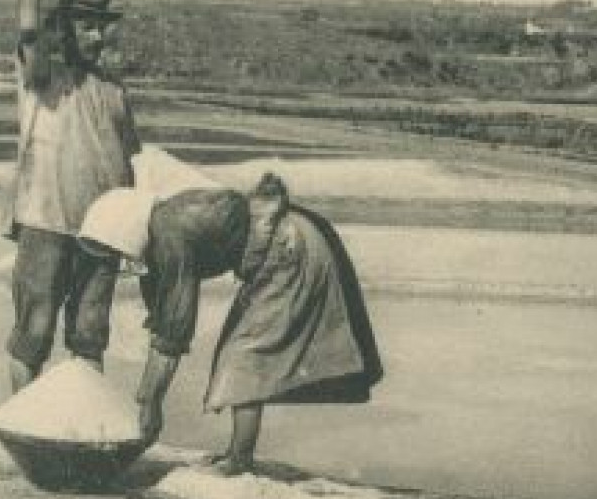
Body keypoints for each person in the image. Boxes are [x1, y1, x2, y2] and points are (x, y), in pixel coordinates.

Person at [78, 173, 384, 475]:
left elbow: (174, 327)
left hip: (292, 248)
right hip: (281, 247)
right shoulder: (161, 223)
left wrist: (149, 402)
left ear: (125, 232)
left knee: (244, 354)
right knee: (241, 351)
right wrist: (148, 394)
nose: (118, 261)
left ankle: (240, 458)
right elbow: (162, 314)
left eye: (115, 252)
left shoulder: (169, 233)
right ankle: (239, 453)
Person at [2, 0, 141, 393]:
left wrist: (138, 230)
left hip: (102, 232)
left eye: (102, 27)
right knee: (33, 335)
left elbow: (134, 162)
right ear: (62, 26)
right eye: (85, 25)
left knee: (90, 337)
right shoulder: (43, 77)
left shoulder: (113, 90)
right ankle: (23, 423)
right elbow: (25, 26)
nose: (97, 36)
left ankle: (83, 429)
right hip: (47, 223)